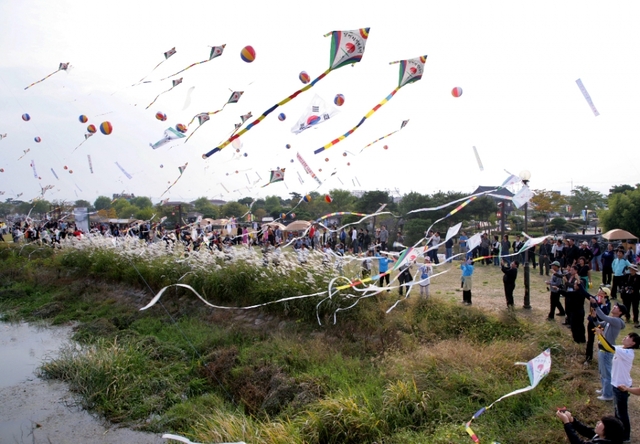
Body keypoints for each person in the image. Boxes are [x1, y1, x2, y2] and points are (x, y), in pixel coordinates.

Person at [579, 284, 627, 402]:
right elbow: (600, 323)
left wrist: (595, 304)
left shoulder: (616, 321)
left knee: (607, 373)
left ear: (620, 312)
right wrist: (595, 318)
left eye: (616, 307)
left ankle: (608, 395)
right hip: (602, 348)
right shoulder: (612, 320)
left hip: (607, 350)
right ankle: (604, 390)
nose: (614, 308)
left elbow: (604, 317)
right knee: (602, 372)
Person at [596, 331, 640, 442]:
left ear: (633, 343)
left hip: (622, 387)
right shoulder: (621, 348)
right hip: (616, 385)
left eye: (628, 337)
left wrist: (600, 335)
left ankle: (626, 437)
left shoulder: (627, 352)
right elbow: (603, 346)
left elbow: (609, 348)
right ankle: (617, 433)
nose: (625, 338)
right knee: (617, 412)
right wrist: (600, 335)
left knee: (622, 413)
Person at [556, 409, 625, 444]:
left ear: (609, 430)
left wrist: (566, 423)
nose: (598, 423)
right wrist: (572, 420)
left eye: (601, 423)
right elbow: (586, 431)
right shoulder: (603, 437)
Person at [584, 286, 611, 366]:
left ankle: (604, 360)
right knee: (590, 341)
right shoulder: (594, 299)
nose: (599, 291)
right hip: (592, 323)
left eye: (601, 291)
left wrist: (604, 304)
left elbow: (606, 314)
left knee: (602, 342)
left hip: (600, 325)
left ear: (605, 294)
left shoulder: (607, 303)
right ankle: (588, 358)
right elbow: (585, 293)